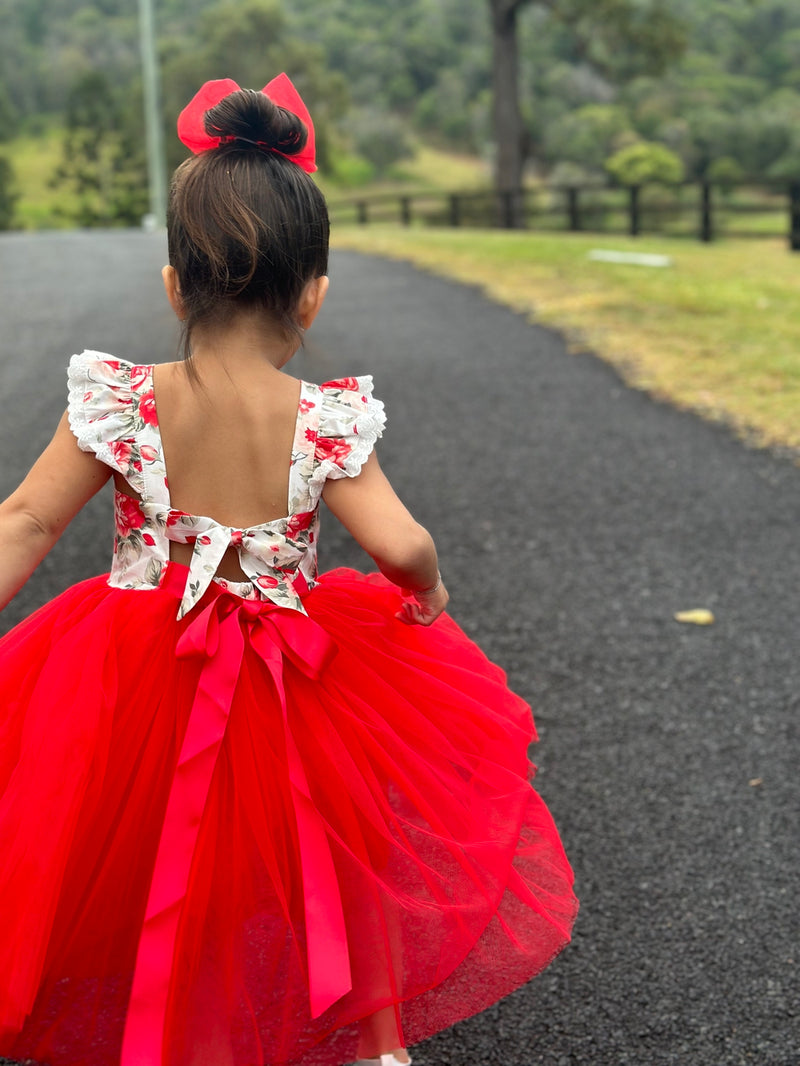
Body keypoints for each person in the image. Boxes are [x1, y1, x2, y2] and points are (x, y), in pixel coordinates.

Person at [0, 76, 577, 1066]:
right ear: (313, 294)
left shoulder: (117, 400)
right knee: (327, 846)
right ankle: (373, 1044)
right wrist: (423, 589)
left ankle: (160, 1023)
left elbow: (25, 520)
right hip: (289, 671)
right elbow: (398, 543)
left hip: (133, 667)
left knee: (136, 853)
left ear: (175, 286)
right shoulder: (326, 417)